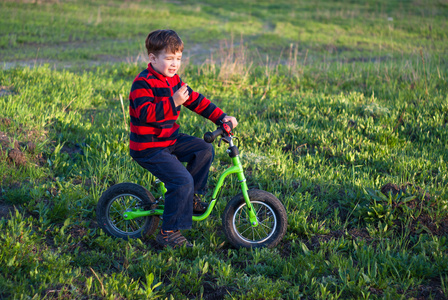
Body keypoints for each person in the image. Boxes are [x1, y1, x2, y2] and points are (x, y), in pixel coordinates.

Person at [129, 29, 238, 248]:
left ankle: (191, 198)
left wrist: (221, 117)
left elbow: (196, 100)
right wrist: (173, 101)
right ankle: (168, 232)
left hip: (169, 139)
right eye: (169, 58)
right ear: (153, 58)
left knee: (203, 149)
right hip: (149, 147)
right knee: (181, 180)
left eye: (178, 58)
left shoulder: (174, 80)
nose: (174, 64)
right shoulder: (143, 83)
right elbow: (146, 114)